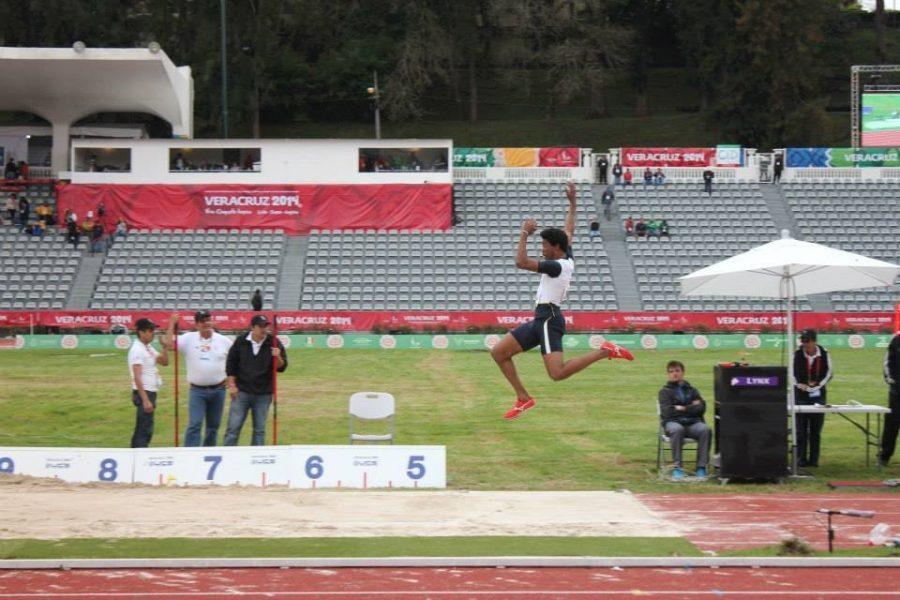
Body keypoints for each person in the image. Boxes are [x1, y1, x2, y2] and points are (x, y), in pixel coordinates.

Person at [490, 181, 633, 420]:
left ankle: (605, 351)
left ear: (556, 248)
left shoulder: (556, 266)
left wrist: (524, 233)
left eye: (544, 245)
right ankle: (524, 398)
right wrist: (573, 203)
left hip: (549, 319)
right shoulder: (566, 254)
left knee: (556, 373)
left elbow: (521, 262)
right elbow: (569, 231)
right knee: (499, 353)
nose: (542, 248)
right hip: (541, 319)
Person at [166, 311, 233, 447]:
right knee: (195, 424)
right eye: (202, 321)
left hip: (219, 390)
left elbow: (235, 360)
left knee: (213, 427)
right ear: (196, 325)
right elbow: (169, 345)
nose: (206, 323)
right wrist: (172, 324)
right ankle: (190, 455)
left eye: (208, 320)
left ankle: (208, 453)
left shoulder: (223, 341)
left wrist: (231, 379)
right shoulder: (188, 339)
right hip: (197, 391)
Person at [224, 314, 288, 445]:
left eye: (266, 326)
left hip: (264, 394)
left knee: (259, 431)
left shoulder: (274, 342)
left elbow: (281, 367)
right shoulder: (240, 341)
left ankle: (256, 462)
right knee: (233, 429)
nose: (264, 329)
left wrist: (278, 357)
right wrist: (232, 385)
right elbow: (231, 364)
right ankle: (227, 457)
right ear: (253, 327)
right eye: (261, 326)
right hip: (241, 392)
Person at [658, 360, 710, 479]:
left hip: (692, 423)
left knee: (705, 429)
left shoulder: (692, 390)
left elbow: (701, 408)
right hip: (673, 423)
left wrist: (682, 408)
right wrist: (691, 407)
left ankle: (701, 467)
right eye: (671, 372)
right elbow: (667, 412)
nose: (674, 374)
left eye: (677, 371)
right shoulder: (664, 392)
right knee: (677, 429)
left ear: (683, 372)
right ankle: (678, 468)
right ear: (668, 374)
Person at [792, 329, 832, 468]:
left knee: (815, 430)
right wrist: (799, 385)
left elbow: (829, 373)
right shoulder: (796, 354)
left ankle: (814, 460)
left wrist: (817, 386)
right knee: (800, 430)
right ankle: (800, 460)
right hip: (801, 395)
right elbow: (791, 374)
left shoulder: (825, 354)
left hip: (818, 396)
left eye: (807, 341)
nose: (804, 344)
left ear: (814, 341)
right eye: (803, 341)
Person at [128, 318, 170, 448]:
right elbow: (137, 376)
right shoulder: (137, 349)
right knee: (143, 428)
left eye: (153, 330)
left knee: (147, 427)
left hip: (150, 391)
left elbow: (164, 362)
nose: (153, 333)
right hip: (144, 392)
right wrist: (145, 400)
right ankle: (138, 453)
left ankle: (140, 450)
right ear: (141, 332)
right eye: (150, 330)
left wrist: (164, 347)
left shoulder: (148, 347)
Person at [878, 331, 900, 467]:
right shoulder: (896, 340)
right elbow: (887, 363)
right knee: (891, 425)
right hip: (897, 392)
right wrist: (892, 382)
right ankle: (884, 457)